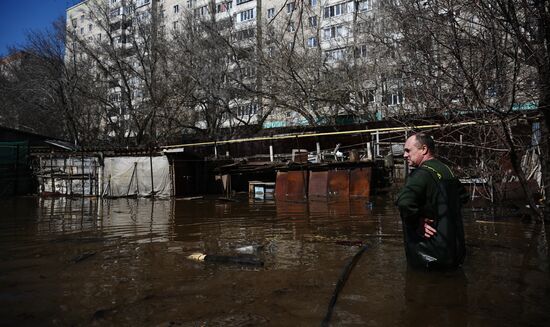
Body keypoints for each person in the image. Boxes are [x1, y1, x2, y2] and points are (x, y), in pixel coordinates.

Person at [396, 133, 468, 269]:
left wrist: (417, 223)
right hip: (454, 252)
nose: (405, 155)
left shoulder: (420, 174)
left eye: (408, 150)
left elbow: (404, 203)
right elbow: (464, 197)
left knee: (421, 287)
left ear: (424, 149)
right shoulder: (446, 170)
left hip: (428, 255)